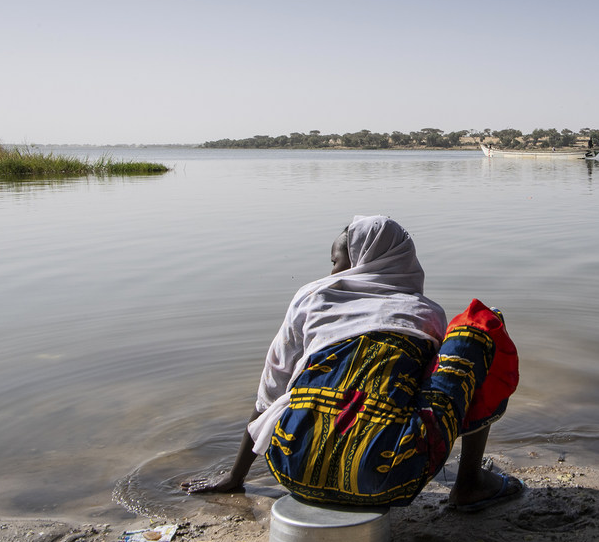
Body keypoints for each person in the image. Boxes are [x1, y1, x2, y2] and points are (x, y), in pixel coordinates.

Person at [182, 215, 522, 511]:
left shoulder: (311, 297)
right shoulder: (426, 312)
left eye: (336, 262)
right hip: (393, 477)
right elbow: (430, 391)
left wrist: (235, 476)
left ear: (361, 261)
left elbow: (269, 392)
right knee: (481, 324)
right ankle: (470, 483)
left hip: (292, 468)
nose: (330, 271)